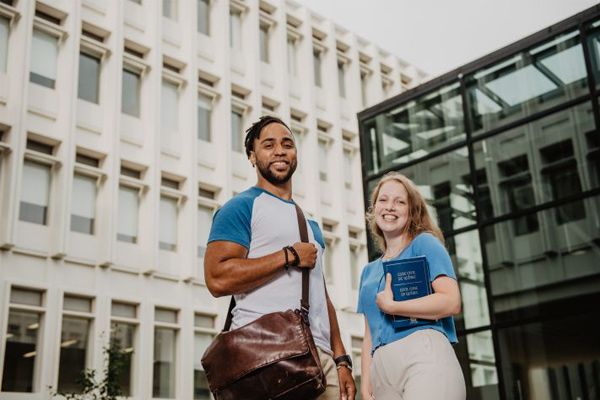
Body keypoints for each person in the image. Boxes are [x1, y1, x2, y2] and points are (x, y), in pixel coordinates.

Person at [204, 116, 356, 400]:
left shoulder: (310, 223)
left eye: (287, 144)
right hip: (267, 356)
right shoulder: (241, 207)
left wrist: (342, 359)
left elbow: (322, 296)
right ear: (252, 156)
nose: (279, 151)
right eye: (268, 145)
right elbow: (217, 278)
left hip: (320, 359)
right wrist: (288, 256)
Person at [357, 172, 466, 400]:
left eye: (400, 202)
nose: (390, 207)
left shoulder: (424, 244)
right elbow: (370, 332)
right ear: (374, 207)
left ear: (411, 210)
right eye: (383, 200)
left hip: (423, 355)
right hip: (382, 371)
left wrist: (394, 306)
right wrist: (366, 381)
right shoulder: (368, 272)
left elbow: (451, 301)